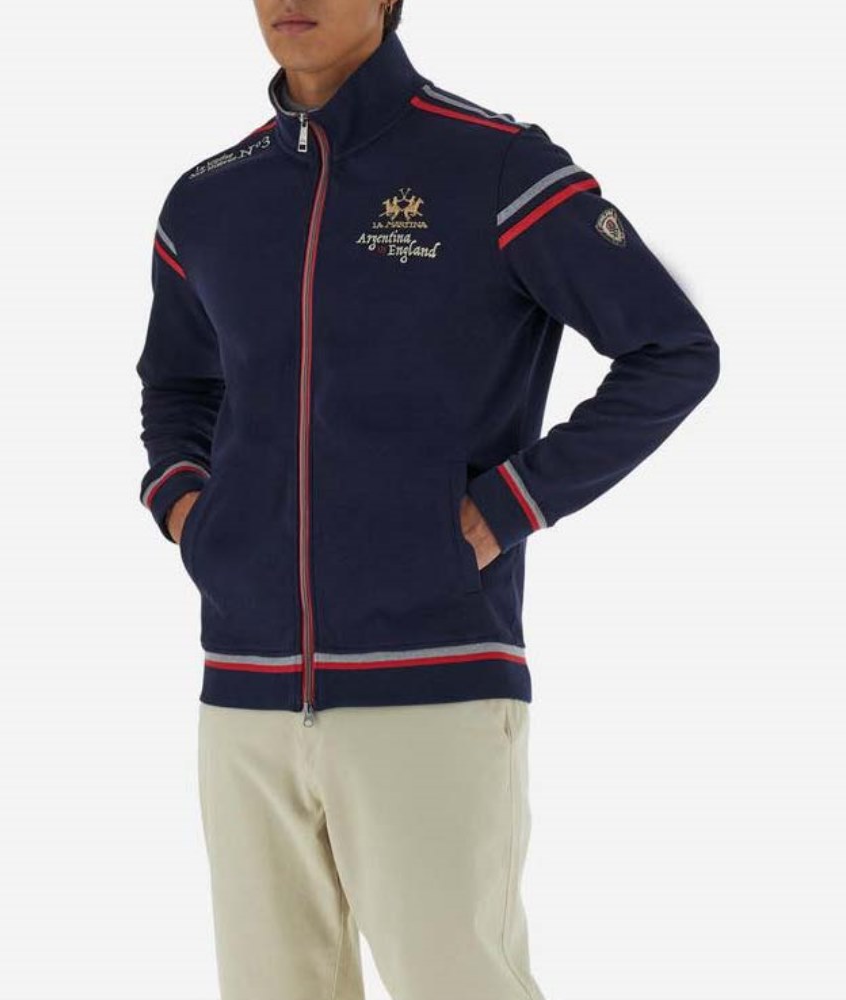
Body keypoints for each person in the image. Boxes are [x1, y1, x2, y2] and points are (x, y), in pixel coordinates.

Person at [136, 2, 721, 997]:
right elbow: (179, 389)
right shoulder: (208, 199)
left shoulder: (493, 167)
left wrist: (511, 505)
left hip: (432, 678)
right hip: (244, 692)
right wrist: (191, 513)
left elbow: (671, 350)